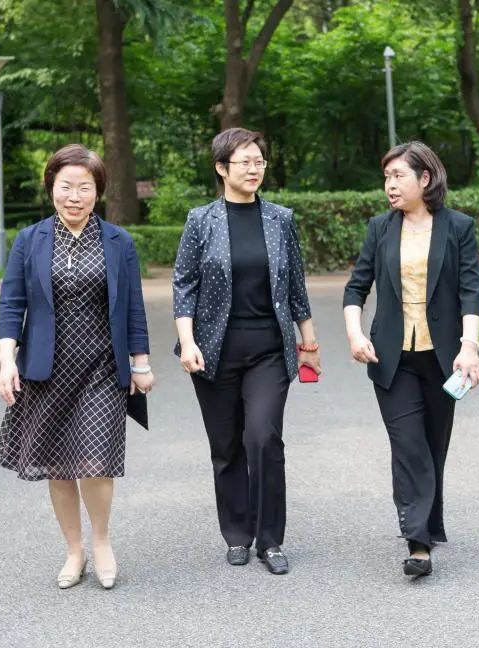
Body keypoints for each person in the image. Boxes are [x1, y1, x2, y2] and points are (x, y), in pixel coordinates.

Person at [0, 144, 152, 590]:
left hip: (102, 367)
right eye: (66, 187)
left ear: (98, 191)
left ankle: (101, 541)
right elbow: (11, 306)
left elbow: (133, 308)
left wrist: (141, 363)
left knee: (97, 460)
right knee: (59, 464)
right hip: (47, 370)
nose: (75, 197)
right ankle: (74, 550)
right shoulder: (30, 240)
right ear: (51, 188)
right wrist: (7, 361)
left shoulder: (118, 242)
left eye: (85, 187)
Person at [172, 127, 320, 575]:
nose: (254, 169)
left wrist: (309, 342)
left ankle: (270, 540)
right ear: (222, 168)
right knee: (226, 447)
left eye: (259, 161)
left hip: (269, 350)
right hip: (213, 350)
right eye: (244, 162)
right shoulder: (201, 220)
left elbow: (295, 285)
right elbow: (184, 285)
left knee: (263, 438)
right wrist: (188, 341)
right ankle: (237, 535)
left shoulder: (280, 219)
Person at [342, 141, 479, 578]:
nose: (390, 185)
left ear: (425, 178)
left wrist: (469, 345)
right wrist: (355, 333)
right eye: (386, 177)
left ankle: (426, 526)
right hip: (392, 358)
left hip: (442, 358)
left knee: (433, 446)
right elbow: (356, 287)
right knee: (408, 446)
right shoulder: (380, 228)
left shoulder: (458, 227)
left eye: (398, 176)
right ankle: (418, 543)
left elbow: (470, 290)